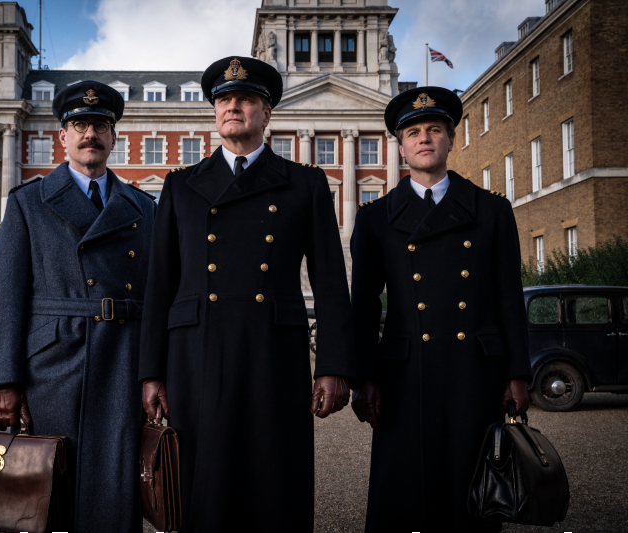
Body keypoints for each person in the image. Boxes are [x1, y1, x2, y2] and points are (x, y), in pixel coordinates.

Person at [138, 56, 354, 532]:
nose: (233, 107)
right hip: (196, 355)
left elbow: (332, 284)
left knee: (272, 482)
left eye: (246, 100)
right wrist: (150, 373)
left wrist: (335, 366)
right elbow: (160, 286)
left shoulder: (306, 183)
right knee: (203, 483)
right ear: (215, 113)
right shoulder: (180, 186)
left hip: (272, 354)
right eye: (224, 100)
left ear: (267, 113)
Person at [350, 86, 531, 532]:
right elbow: (364, 305)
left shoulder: (491, 210)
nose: (424, 138)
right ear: (401, 144)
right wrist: (364, 377)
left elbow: (509, 295)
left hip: (475, 371)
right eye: (413, 132)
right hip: (404, 374)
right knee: (405, 493)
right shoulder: (376, 218)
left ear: (451, 138)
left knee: (470, 489)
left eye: (434, 130)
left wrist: (517, 373)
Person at [0, 81, 157, 532]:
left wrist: (157, 370)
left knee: (117, 483)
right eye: (79, 124)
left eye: (100, 124)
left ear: (113, 136)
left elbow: (160, 296)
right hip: (54, 365)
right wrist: (5, 381)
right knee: (50, 484)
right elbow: (6, 297)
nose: (89, 134)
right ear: (62, 136)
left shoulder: (143, 207)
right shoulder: (28, 202)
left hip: (123, 357)